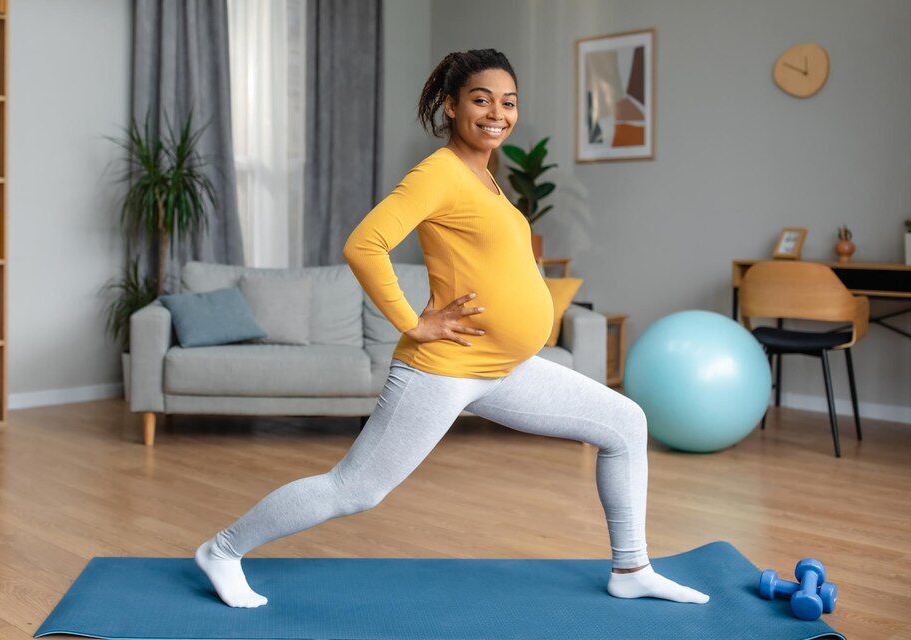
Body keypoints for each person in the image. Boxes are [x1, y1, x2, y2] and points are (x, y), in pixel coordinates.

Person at [195, 48, 710, 609]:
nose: (497, 113)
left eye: (508, 102)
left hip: (502, 368)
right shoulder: (438, 173)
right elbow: (363, 245)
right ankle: (222, 550)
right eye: (481, 99)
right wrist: (413, 321)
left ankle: (631, 567)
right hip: (444, 369)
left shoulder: (486, 179)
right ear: (451, 106)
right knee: (356, 489)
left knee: (625, 423)